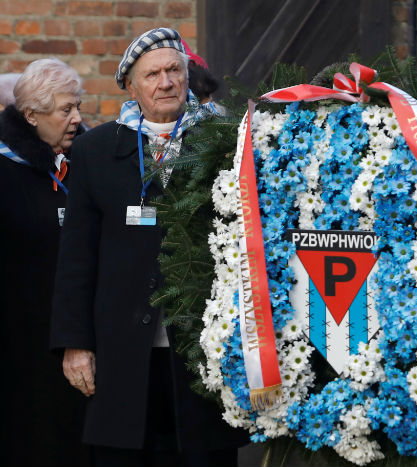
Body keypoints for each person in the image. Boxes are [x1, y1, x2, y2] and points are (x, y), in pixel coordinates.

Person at [50, 28, 247, 466]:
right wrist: (75, 343)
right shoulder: (96, 151)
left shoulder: (224, 141)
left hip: (203, 352)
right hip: (121, 348)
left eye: (174, 70)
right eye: (153, 74)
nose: (166, 82)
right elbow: (76, 257)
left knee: (202, 453)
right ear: (131, 86)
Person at [0, 58, 88, 467]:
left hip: (77, 338)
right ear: (31, 115)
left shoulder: (85, 165)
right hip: (19, 344)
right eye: (65, 109)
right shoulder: (6, 170)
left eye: (78, 107)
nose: (76, 118)